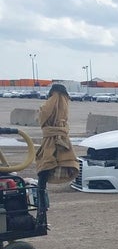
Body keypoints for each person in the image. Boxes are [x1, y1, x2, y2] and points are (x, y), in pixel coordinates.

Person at [35, 84, 79, 221]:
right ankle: (42, 209)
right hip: (61, 139)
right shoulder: (65, 101)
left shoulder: (54, 99)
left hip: (52, 141)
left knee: (43, 171)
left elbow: (44, 113)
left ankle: (41, 209)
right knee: (48, 168)